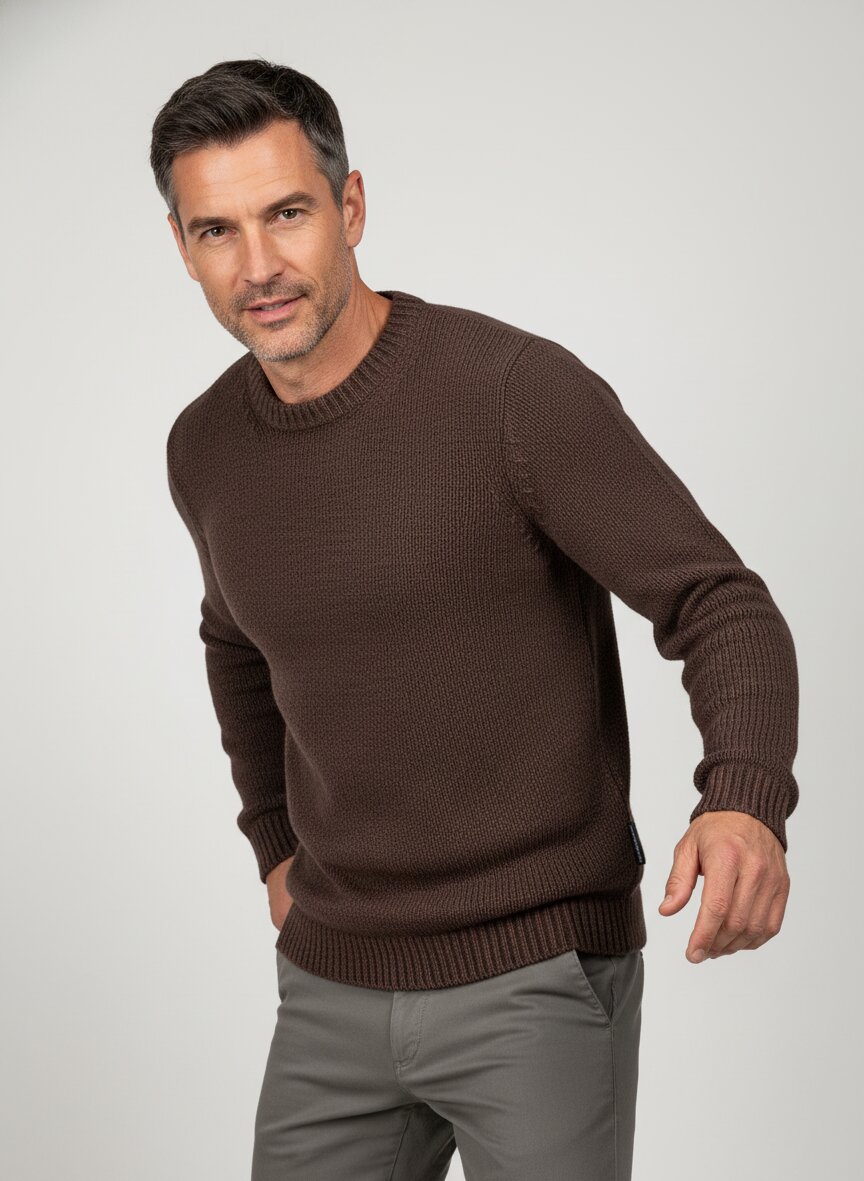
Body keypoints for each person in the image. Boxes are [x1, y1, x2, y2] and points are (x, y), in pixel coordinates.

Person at [150, 58, 798, 1181]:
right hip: (331, 986)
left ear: (351, 207)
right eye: (217, 230)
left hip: (533, 976)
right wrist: (274, 845)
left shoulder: (511, 393)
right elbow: (237, 645)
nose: (257, 266)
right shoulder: (203, 446)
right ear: (182, 245)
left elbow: (718, 600)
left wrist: (744, 798)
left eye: (287, 213)